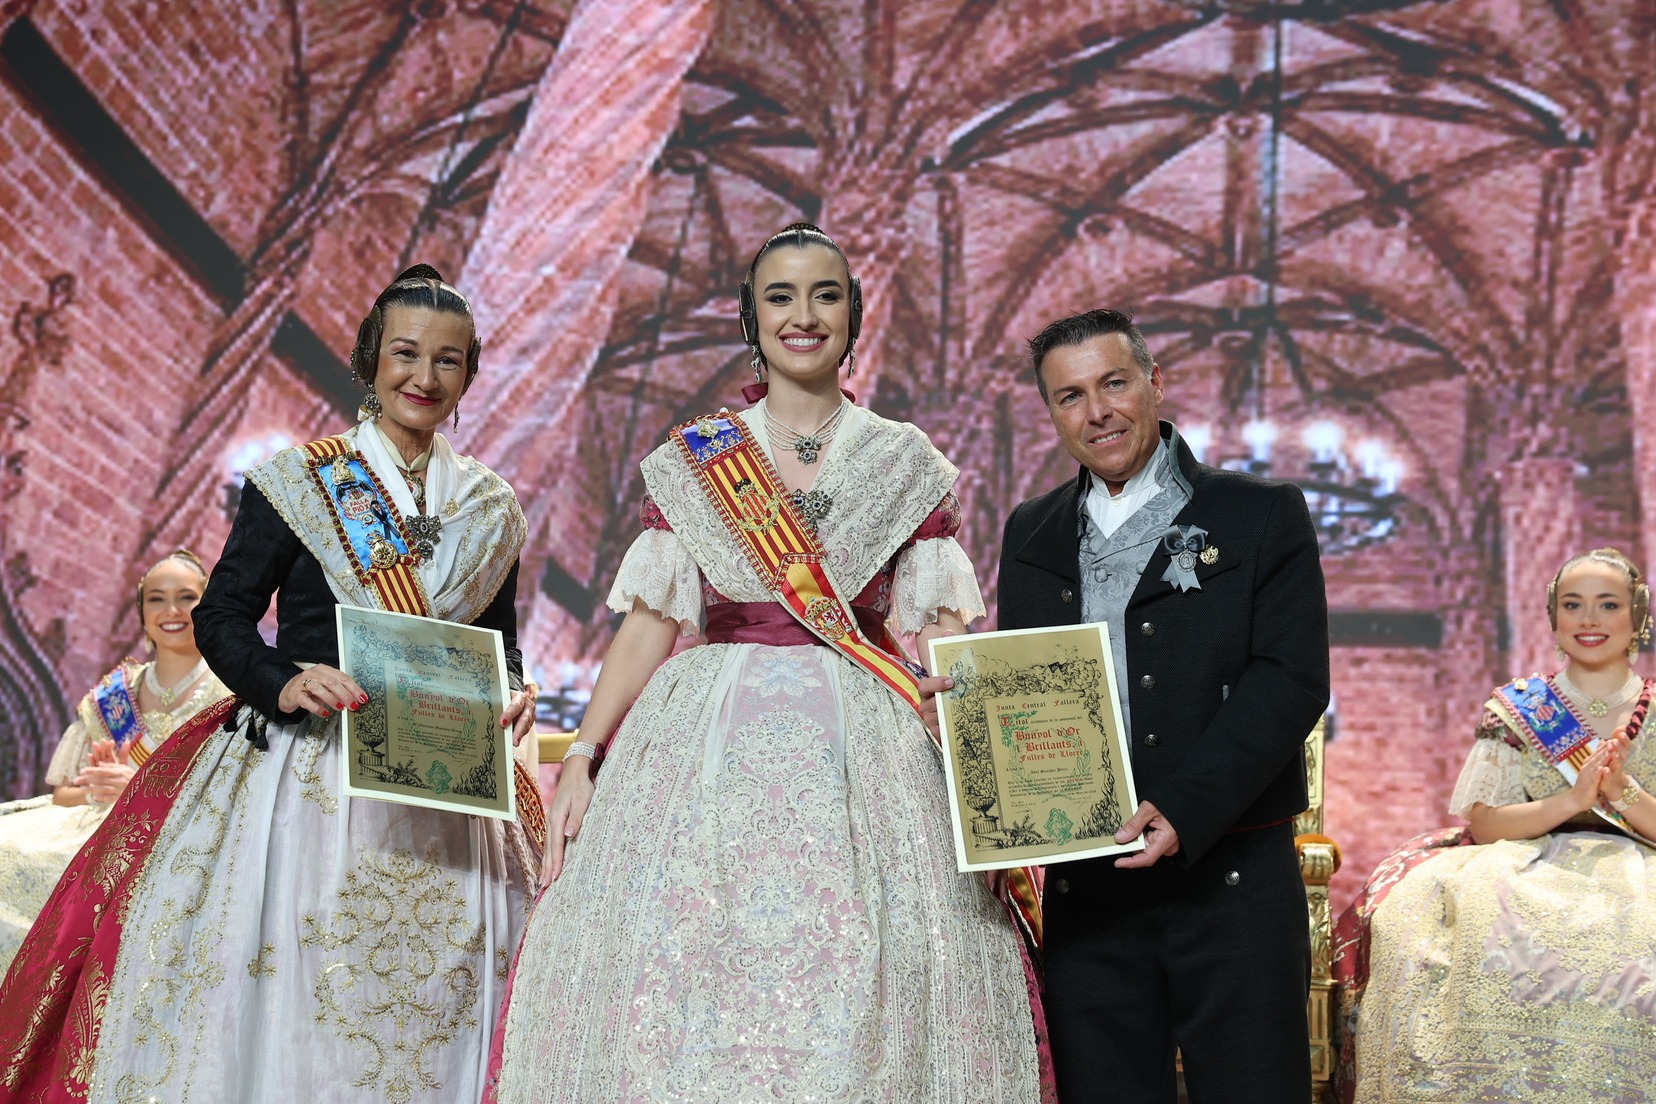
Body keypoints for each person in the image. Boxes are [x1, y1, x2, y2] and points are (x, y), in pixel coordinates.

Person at [486, 224, 1043, 1103]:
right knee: (680, 955)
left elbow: (939, 634)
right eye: (780, 296)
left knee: (874, 963)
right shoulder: (701, 457)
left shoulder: (904, 459)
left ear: (853, 314)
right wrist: (584, 754)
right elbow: (648, 626)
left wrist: (978, 755)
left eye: (825, 295)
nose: (803, 315)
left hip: (870, 740)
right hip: (704, 735)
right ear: (752, 317)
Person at [0, 266, 541, 1103]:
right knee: (299, 986)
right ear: (370, 358)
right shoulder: (299, 481)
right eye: (405, 353)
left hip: (443, 786)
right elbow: (222, 615)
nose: (424, 378)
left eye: (448, 360)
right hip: (305, 770)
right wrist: (283, 682)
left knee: (436, 1004)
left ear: (469, 373)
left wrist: (512, 686)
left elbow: (497, 643)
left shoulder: (489, 507)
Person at [997, 308, 1330, 1103]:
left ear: (1154, 382)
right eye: (1070, 396)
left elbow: (1290, 680)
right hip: (1089, 892)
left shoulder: (1260, 513)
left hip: (1234, 883)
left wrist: (1186, 806)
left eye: (1114, 383)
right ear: (1052, 412)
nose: (1098, 411)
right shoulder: (1030, 532)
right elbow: (1028, 693)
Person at [1332, 547, 1656, 1104]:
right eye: (1573, 605)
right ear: (1553, 617)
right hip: (1523, 855)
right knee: (1443, 928)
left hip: (1640, 862)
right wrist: (1573, 799)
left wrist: (1620, 790)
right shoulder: (1520, 706)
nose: (1590, 619)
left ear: (1638, 617)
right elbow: (1485, 824)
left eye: (1608, 605)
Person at [0, 550, 231, 972]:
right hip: (90, 827)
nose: (172, 610)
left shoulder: (232, 692)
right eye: (157, 599)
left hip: (178, 837)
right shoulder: (113, 695)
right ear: (141, 613)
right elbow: (63, 795)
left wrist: (138, 789)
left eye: (187, 597)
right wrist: (98, 787)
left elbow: (237, 795)